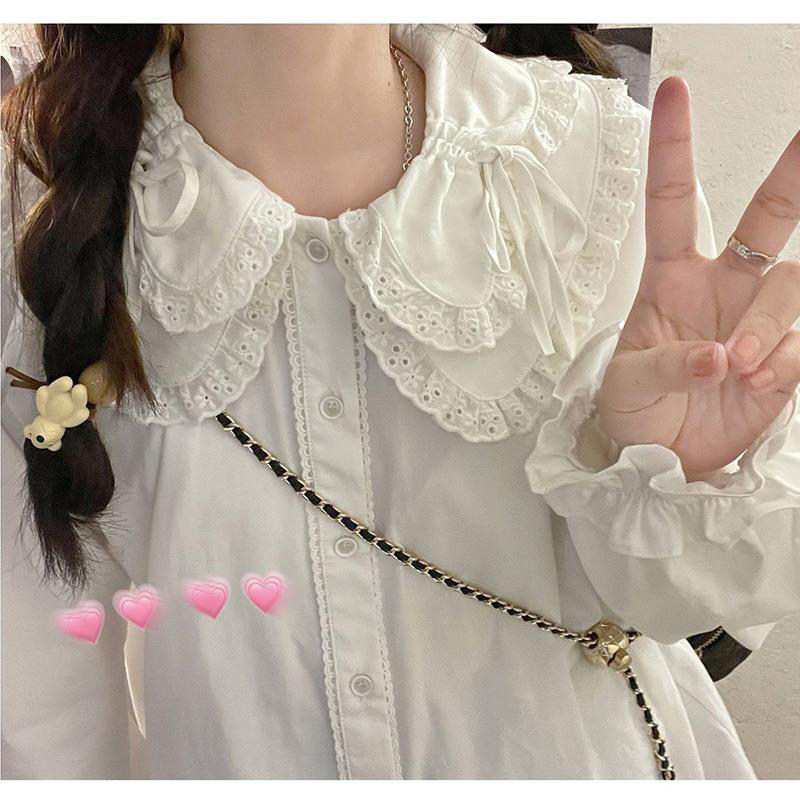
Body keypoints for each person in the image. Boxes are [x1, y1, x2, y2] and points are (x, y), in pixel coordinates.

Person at [1, 22, 799, 780]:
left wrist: (671, 471)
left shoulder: (586, 162)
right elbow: (42, 706)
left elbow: (669, 612)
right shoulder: (42, 224)